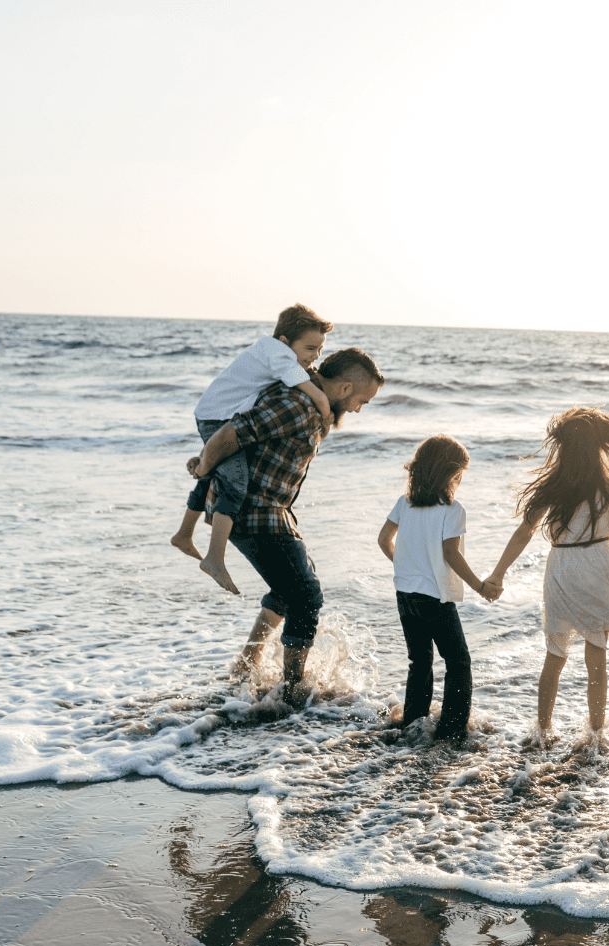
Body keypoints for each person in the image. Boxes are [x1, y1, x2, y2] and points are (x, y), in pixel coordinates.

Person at [186, 346, 384, 709]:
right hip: (253, 512)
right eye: (362, 400)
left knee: (290, 586)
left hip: (273, 511)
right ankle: (293, 691)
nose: (358, 408)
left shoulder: (312, 406)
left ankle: (245, 665)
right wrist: (203, 467)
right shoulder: (298, 406)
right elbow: (233, 433)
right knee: (306, 596)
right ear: (343, 389)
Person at [484, 408, 609, 745]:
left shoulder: (553, 486)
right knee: (596, 656)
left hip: (562, 569)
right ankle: (597, 734)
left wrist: (498, 574)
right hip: (600, 563)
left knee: (555, 655)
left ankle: (542, 730)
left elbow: (524, 533)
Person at [172, 303, 336, 595]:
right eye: (310, 349)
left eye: (320, 350)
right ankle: (214, 558)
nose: (315, 358)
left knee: (213, 474)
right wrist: (325, 413)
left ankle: (184, 534)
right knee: (235, 484)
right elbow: (313, 393)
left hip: (216, 413)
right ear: (285, 342)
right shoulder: (279, 354)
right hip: (217, 418)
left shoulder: (271, 352)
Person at [376, 435, 499, 741]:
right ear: (450, 474)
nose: (460, 482)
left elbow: (383, 540)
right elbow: (451, 553)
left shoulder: (404, 503)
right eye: (459, 476)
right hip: (435, 598)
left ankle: (413, 724)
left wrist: (405, 566)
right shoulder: (452, 510)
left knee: (420, 661)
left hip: (405, 593)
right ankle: (453, 728)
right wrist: (480, 586)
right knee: (458, 662)